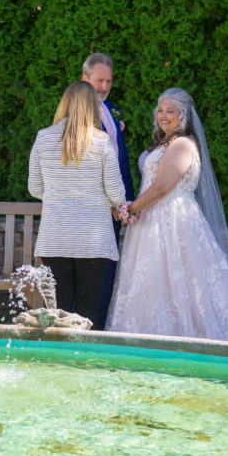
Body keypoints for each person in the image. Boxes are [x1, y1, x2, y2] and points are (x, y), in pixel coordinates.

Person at [106, 87, 228, 345]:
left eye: (170, 111)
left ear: (183, 115)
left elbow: (163, 187)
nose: (164, 116)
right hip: (151, 221)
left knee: (179, 280)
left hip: (172, 222)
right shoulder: (165, 143)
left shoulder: (182, 144)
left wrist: (130, 209)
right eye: (160, 110)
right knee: (153, 281)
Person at [28, 81, 125, 328]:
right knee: (88, 310)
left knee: (57, 311)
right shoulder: (102, 142)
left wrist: (60, 195)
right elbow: (117, 194)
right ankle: (85, 361)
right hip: (93, 240)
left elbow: (35, 189)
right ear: (93, 107)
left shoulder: (43, 137)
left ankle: (57, 362)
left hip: (55, 237)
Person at [82, 53, 134, 329]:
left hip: (116, 207)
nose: (104, 87)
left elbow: (120, 159)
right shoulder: (76, 114)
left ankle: (99, 329)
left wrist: (127, 201)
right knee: (92, 273)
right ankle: (86, 329)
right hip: (93, 209)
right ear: (85, 79)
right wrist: (111, 201)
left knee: (107, 272)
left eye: (108, 81)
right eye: (99, 81)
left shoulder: (111, 108)